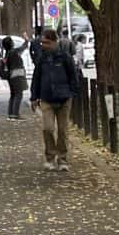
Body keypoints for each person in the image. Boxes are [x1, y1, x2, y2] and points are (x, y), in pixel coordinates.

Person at [30, 25, 81, 172]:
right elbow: (36, 78)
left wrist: (72, 93)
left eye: (46, 43)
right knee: (48, 128)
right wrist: (34, 97)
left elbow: (73, 77)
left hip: (64, 99)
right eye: (42, 43)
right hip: (46, 99)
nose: (43, 45)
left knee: (63, 130)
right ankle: (50, 157)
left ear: (54, 42)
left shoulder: (65, 57)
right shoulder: (42, 58)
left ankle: (63, 158)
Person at [0, 33, 27, 119]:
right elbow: (24, 46)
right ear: (11, 43)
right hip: (17, 75)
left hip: (10, 76)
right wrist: (26, 39)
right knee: (19, 94)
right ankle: (15, 114)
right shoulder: (14, 51)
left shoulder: (7, 54)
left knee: (13, 94)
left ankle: (11, 114)